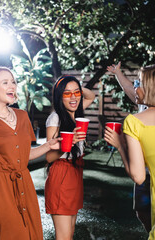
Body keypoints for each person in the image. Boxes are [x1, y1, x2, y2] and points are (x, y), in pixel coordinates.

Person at [0, 66, 62, 240]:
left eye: (13, 82)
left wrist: (48, 145)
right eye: (5, 82)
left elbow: (25, 155)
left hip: (24, 184)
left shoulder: (22, 116)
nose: (12, 86)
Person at [104, 64, 155, 239]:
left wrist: (120, 145)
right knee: (142, 211)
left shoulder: (134, 122)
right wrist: (118, 72)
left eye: (139, 83)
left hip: (143, 171)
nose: (135, 87)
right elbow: (128, 88)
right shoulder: (141, 109)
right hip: (145, 171)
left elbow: (138, 176)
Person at [45, 75, 95, 240]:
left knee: (70, 233)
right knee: (64, 237)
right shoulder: (55, 118)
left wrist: (75, 87)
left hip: (75, 173)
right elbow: (49, 157)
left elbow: (91, 96)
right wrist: (67, 144)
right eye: (66, 93)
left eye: (76, 92)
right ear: (59, 96)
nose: (73, 97)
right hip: (62, 174)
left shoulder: (76, 114)